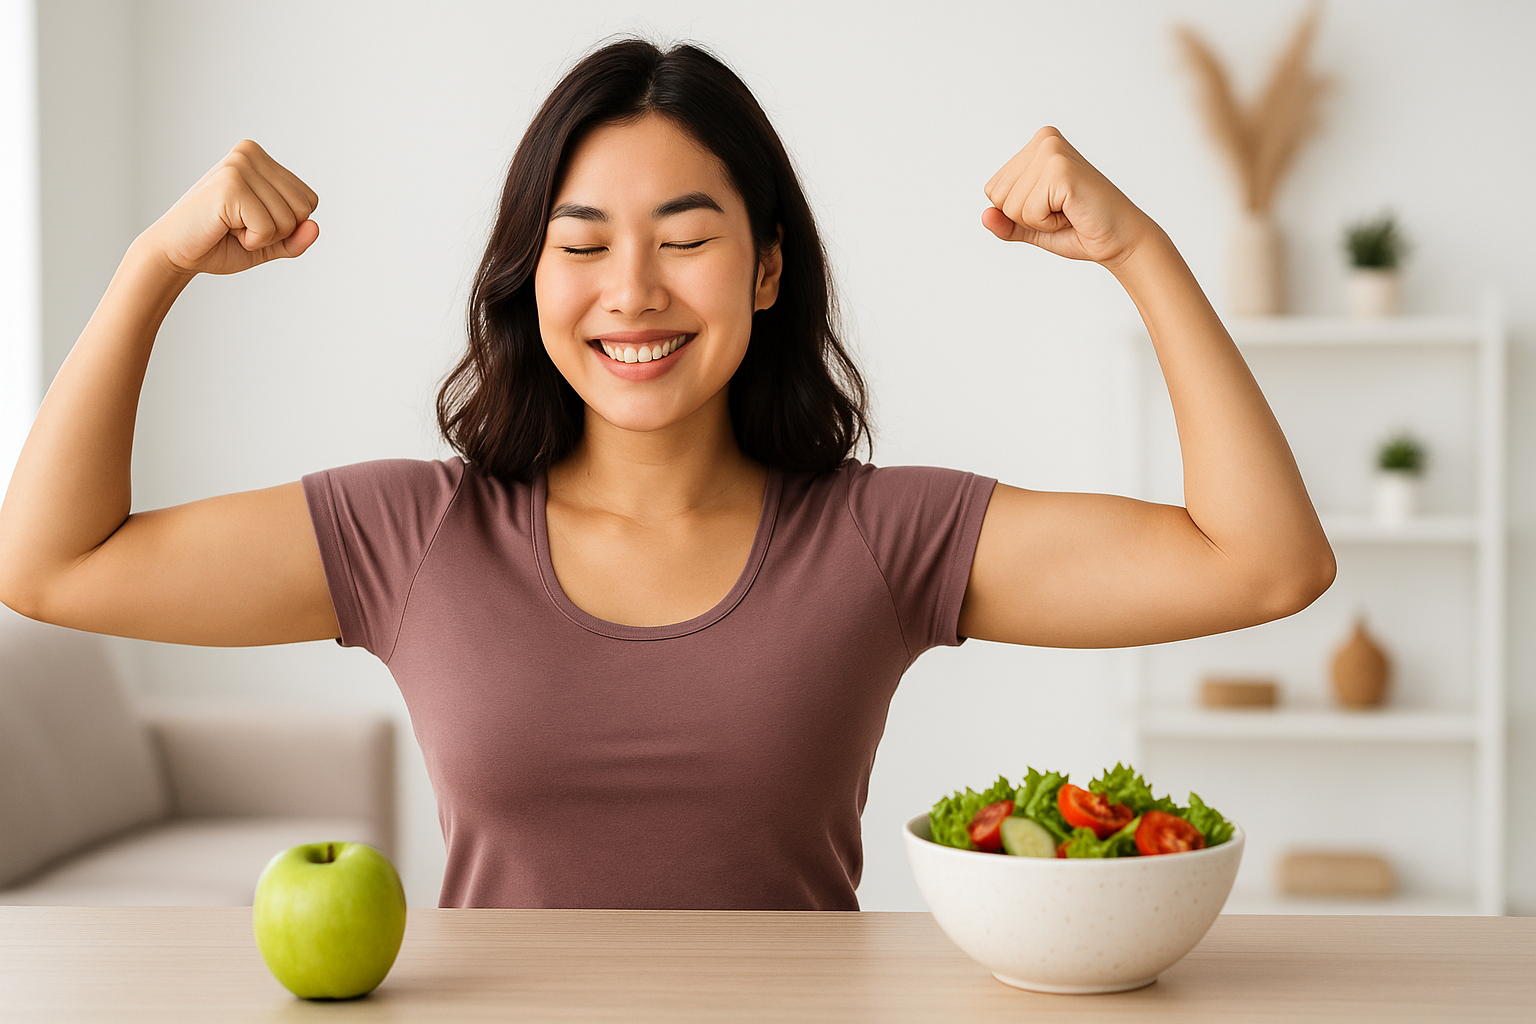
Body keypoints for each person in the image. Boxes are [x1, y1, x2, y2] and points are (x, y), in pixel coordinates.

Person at [0, 39, 1334, 910]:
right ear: (534, 280)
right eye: (582, 245)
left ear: (764, 268)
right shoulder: (408, 532)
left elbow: (1265, 564)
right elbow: (50, 566)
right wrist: (152, 265)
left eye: (684, 239)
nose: (631, 291)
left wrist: (1142, 251)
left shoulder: (885, 536)